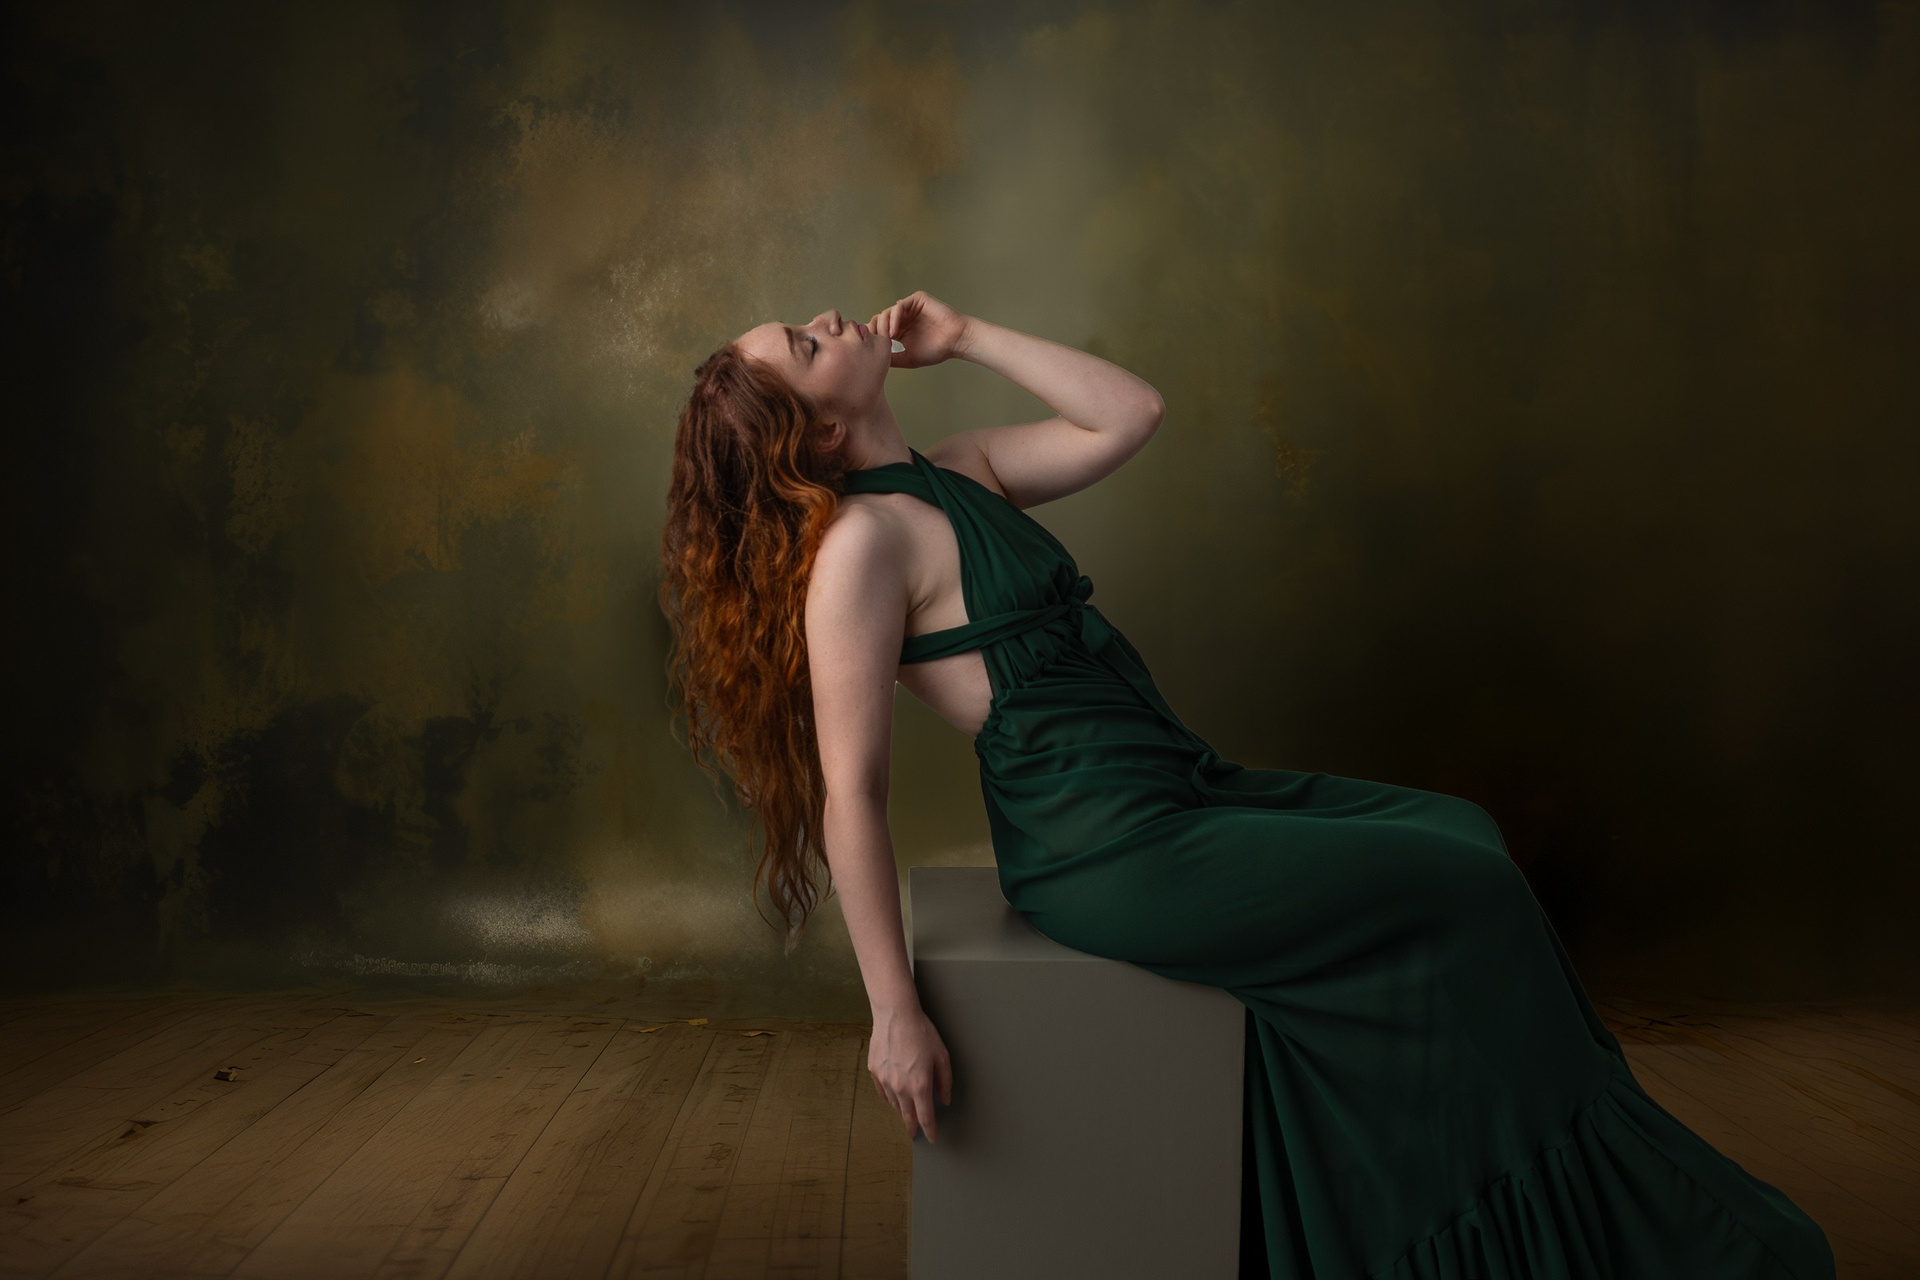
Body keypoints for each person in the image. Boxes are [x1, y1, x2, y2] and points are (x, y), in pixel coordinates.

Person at [658, 291, 1837, 1278]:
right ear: (819, 433)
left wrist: (967, 335)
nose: (828, 317)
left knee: (1464, 832)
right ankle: (1624, 1237)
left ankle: (1550, 1198)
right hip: (1108, 846)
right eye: (804, 343)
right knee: (1470, 892)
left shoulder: (955, 469)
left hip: (1181, 786)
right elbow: (852, 793)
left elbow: (1130, 413)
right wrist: (894, 1009)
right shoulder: (860, 552)